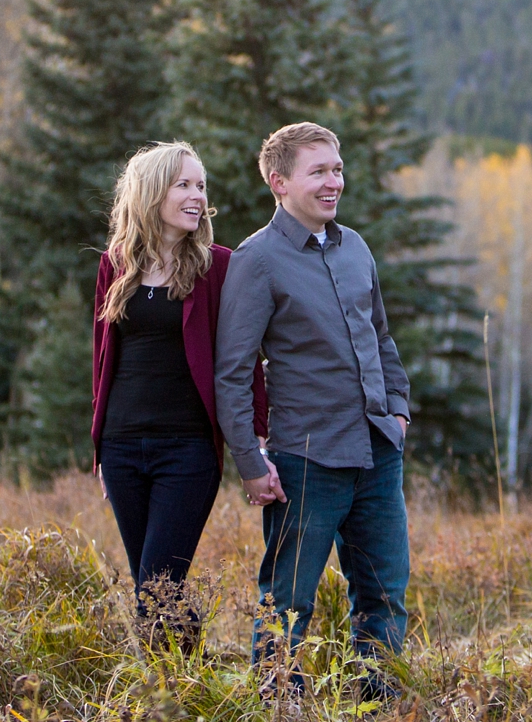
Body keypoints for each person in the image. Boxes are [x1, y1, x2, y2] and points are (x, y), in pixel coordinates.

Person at [214, 122, 411, 697]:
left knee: (383, 594)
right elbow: (233, 372)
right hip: (306, 461)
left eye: (338, 169)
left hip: (377, 453)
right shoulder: (257, 260)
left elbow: (382, 338)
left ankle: (380, 705)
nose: (334, 183)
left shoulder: (356, 248)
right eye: (319, 171)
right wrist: (250, 462)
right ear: (279, 182)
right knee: (288, 603)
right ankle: (280, 707)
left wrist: (397, 409)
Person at [91, 141, 265, 645]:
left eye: (200, 186)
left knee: (156, 586)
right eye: (183, 185)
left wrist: (256, 437)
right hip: (122, 447)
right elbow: (102, 359)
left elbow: (243, 359)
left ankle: (172, 696)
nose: (196, 196)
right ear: (151, 193)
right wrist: (99, 444)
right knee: (152, 587)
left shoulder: (219, 267)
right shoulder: (115, 264)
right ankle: (188, 685)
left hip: (187, 450)